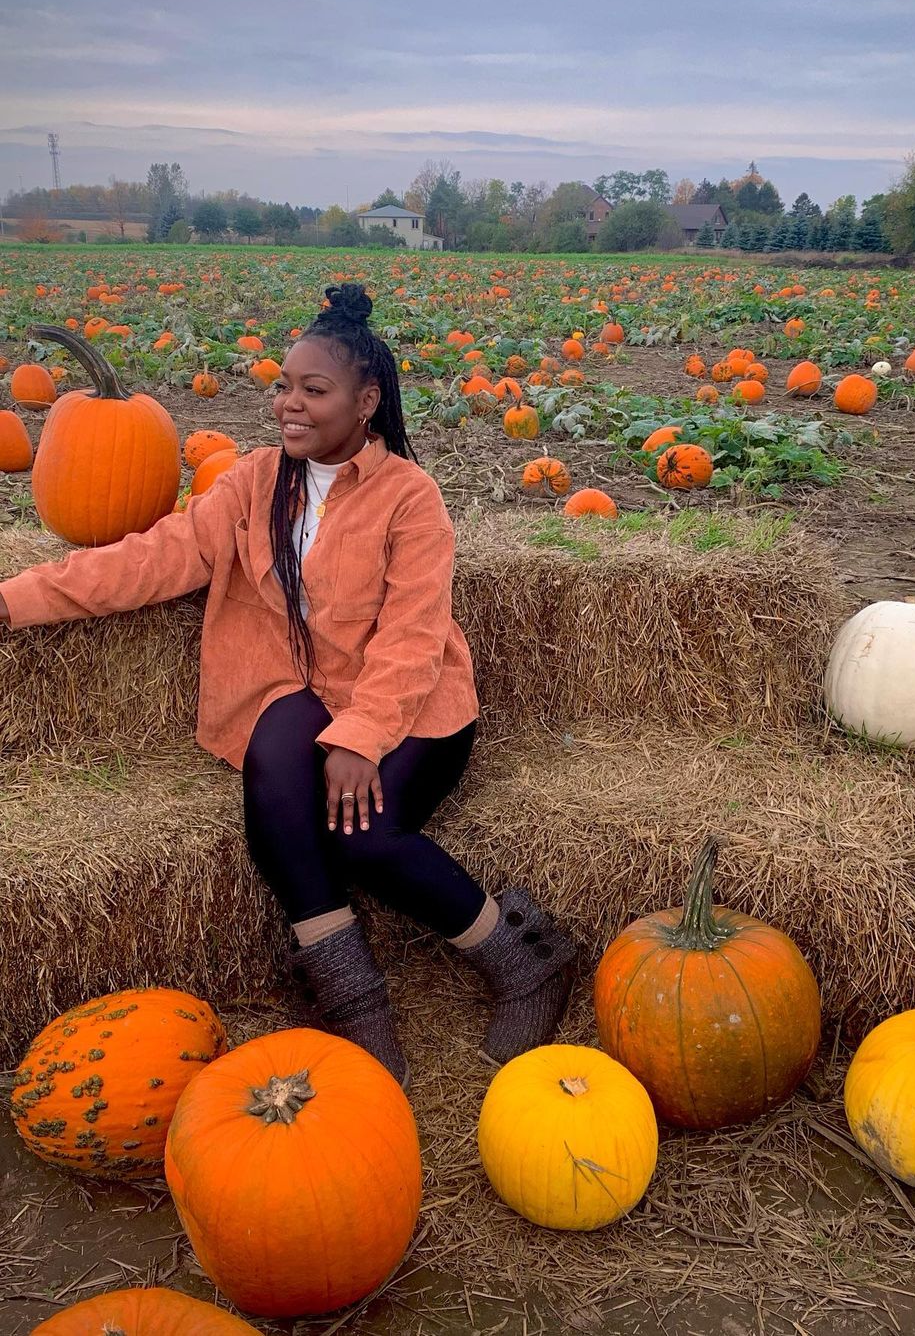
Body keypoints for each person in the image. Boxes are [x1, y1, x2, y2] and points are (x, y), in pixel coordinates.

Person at [0, 283, 576, 1088]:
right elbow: (153, 559)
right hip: (304, 689)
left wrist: (359, 739)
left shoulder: (410, 499)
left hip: (415, 709)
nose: (288, 404)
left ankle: (524, 958)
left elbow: (413, 638)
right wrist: (13, 600)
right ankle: (355, 1001)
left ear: (365, 402)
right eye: (282, 386)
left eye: (313, 390)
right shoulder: (253, 482)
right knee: (273, 754)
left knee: (359, 836)